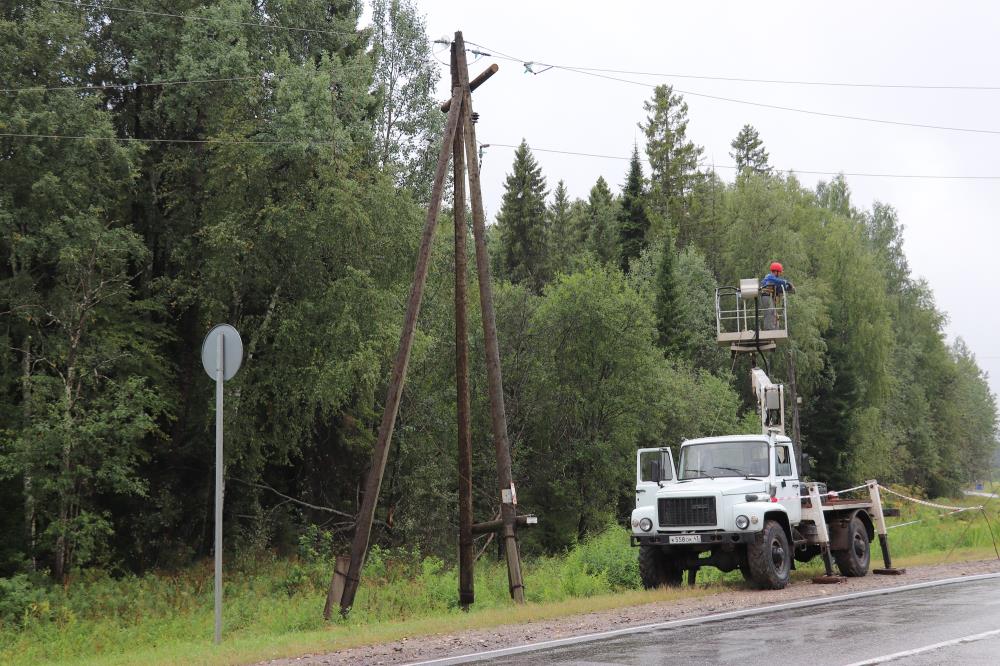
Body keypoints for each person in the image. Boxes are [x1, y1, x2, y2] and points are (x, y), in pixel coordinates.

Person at [760, 262, 794, 329]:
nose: (780, 274)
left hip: (769, 297)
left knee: (774, 314)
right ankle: (769, 329)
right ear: (776, 271)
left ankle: (774, 328)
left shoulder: (774, 279)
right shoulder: (769, 277)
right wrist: (787, 282)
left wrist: (787, 288)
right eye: (780, 272)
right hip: (766, 296)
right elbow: (778, 281)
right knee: (770, 312)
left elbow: (778, 288)